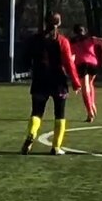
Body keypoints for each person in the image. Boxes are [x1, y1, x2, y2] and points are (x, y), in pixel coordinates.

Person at [21, 12, 82, 155]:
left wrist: (28, 68)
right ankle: (56, 147)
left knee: (37, 112)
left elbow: (25, 58)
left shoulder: (35, 40)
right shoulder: (62, 41)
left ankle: (31, 133)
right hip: (58, 81)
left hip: (40, 79)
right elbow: (68, 63)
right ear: (59, 23)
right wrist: (76, 82)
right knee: (60, 114)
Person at [69, 24, 102, 122]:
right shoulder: (90, 39)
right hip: (92, 63)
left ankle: (89, 112)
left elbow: (72, 56)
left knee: (85, 88)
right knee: (90, 84)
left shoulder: (73, 42)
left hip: (82, 64)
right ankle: (92, 103)